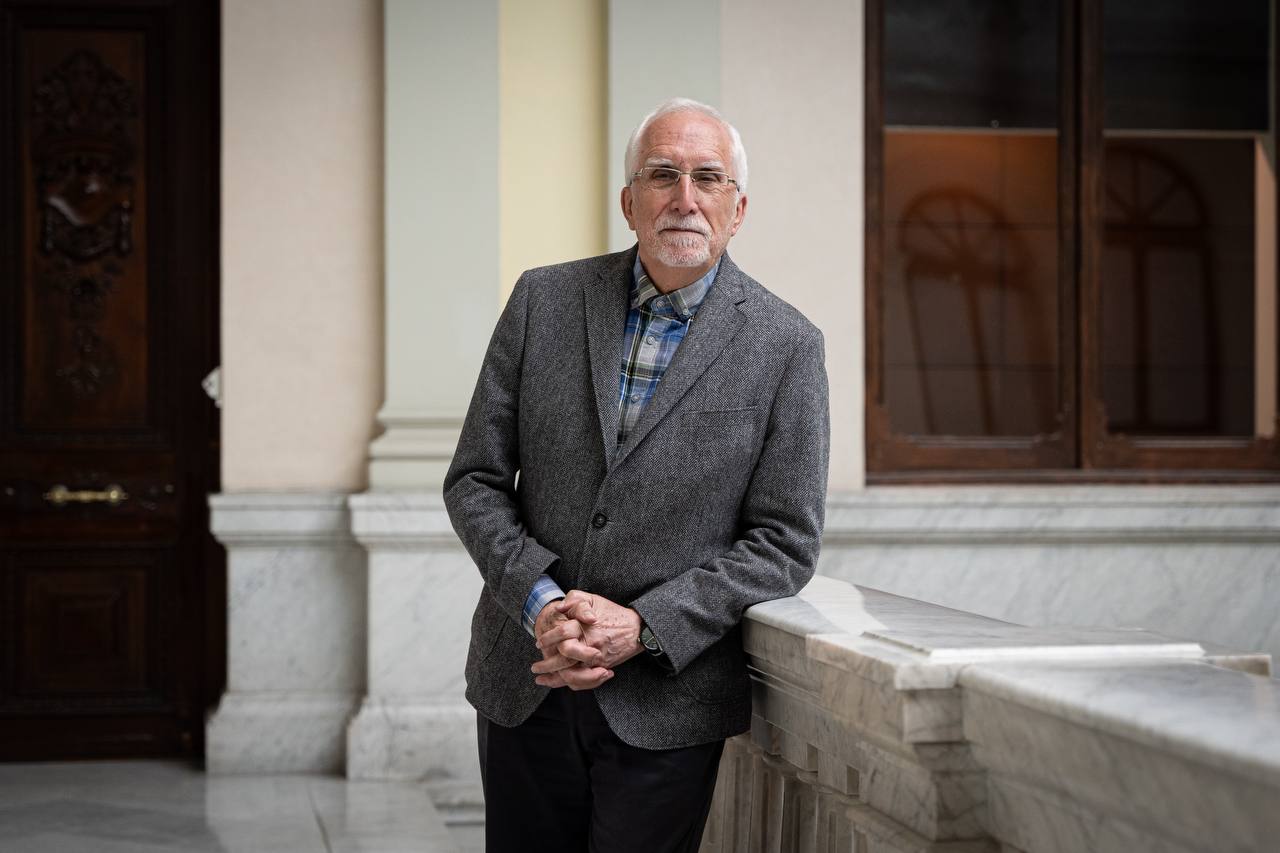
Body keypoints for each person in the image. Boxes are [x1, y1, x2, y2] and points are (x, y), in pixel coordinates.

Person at [443, 97, 829, 853]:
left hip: (668, 699)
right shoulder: (542, 301)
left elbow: (785, 541)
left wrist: (645, 626)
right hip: (528, 678)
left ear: (737, 207)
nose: (685, 197)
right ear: (629, 201)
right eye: (663, 175)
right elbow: (476, 479)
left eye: (708, 178)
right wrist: (540, 600)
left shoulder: (788, 346)